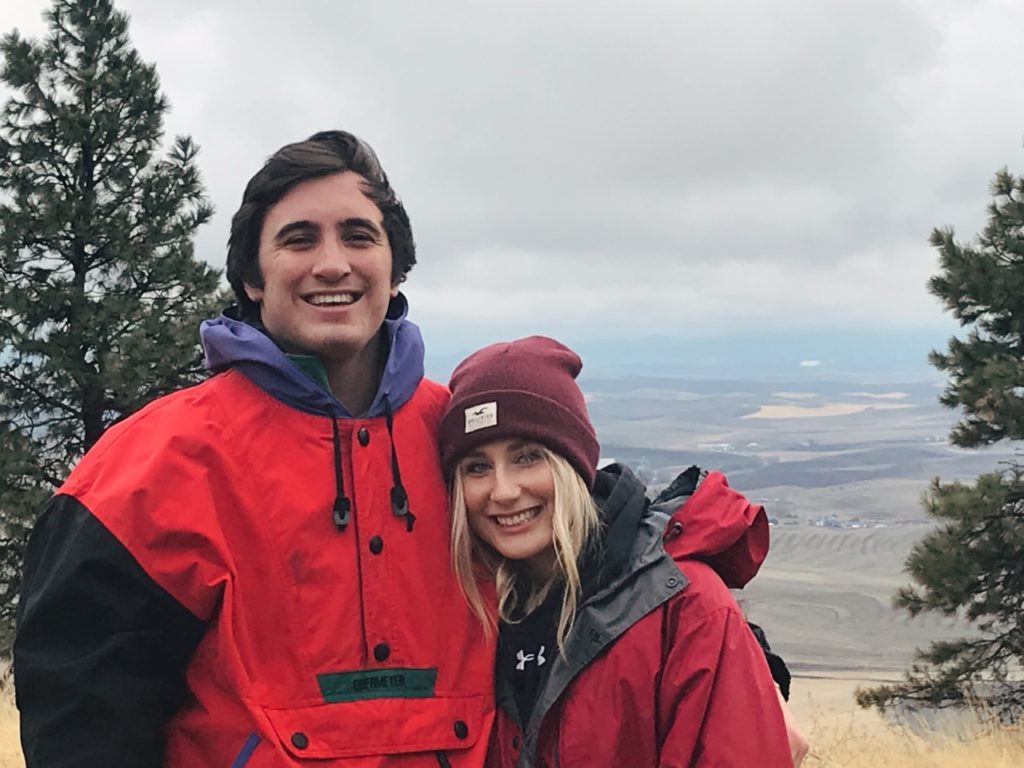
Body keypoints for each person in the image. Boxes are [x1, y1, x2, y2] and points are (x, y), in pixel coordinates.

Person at [14, 131, 495, 767]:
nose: (333, 264)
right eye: (299, 239)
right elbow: (81, 713)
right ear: (251, 278)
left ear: (396, 267)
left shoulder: (470, 442)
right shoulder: (156, 462)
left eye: (359, 236)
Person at [437, 336, 794, 767]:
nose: (504, 491)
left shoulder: (685, 608)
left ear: (574, 465)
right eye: (477, 467)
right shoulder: (469, 613)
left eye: (528, 458)